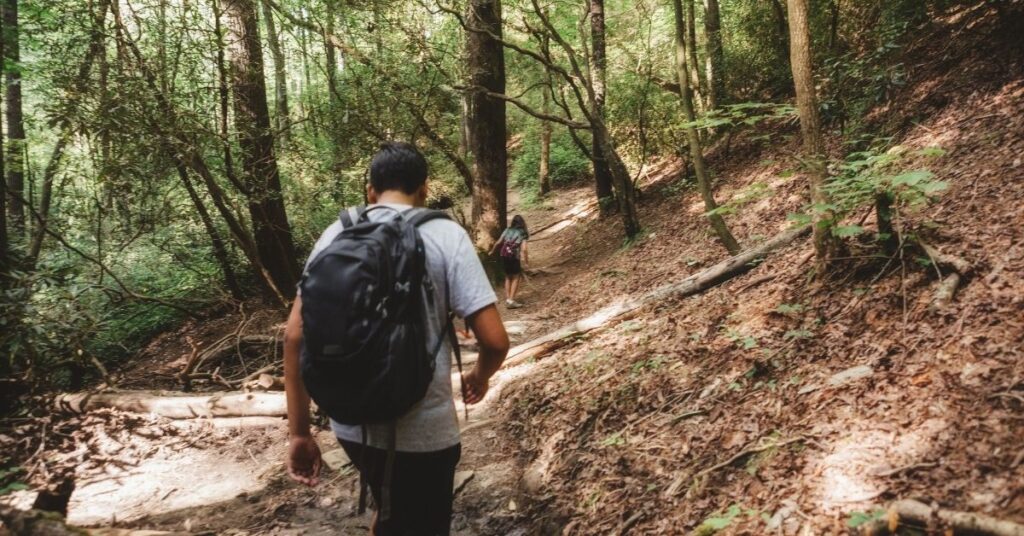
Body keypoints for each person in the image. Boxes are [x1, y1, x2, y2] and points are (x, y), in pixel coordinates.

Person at [283, 142, 511, 536]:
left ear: (370, 189)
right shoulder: (446, 235)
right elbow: (495, 341)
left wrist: (300, 433)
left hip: (352, 422)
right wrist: (480, 376)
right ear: (423, 189)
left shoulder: (336, 233)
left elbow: (293, 336)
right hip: (424, 430)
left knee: (393, 507)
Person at [489, 215, 529, 309]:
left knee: (507, 277)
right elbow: (524, 249)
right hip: (514, 256)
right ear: (522, 223)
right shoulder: (523, 233)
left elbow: (499, 242)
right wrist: (526, 261)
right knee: (516, 277)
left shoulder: (507, 230)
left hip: (504, 255)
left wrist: (492, 251)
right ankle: (511, 300)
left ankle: (508, 299)